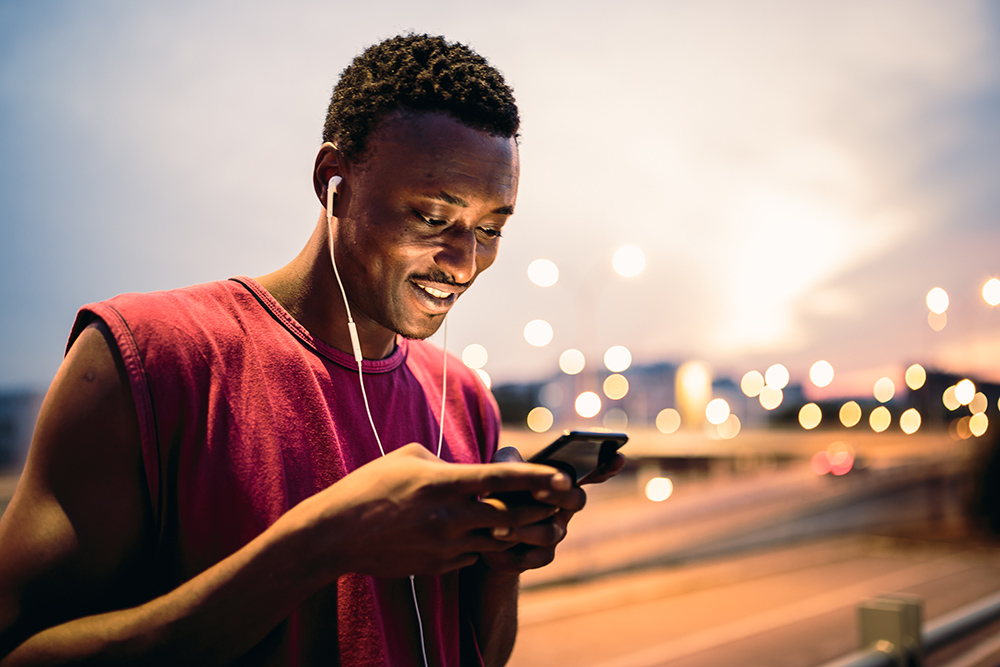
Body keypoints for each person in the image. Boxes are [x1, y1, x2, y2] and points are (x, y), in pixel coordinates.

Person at [0, 34, 623, 666]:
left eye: (490, 229)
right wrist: (320, 547)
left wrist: (499, 566)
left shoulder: (463, 399)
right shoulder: (149, 357)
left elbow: (471, 653)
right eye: (432, 218)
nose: (464, 263)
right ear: (334, 181)